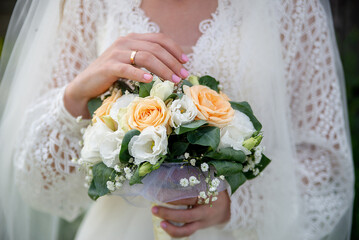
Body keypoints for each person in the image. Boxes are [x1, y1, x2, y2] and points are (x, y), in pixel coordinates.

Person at [0, 0, 354, 239]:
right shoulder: (89, 5)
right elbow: (39, 183)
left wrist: (236, 203)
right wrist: (77, 94)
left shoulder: (292, 8)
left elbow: (328, 172)